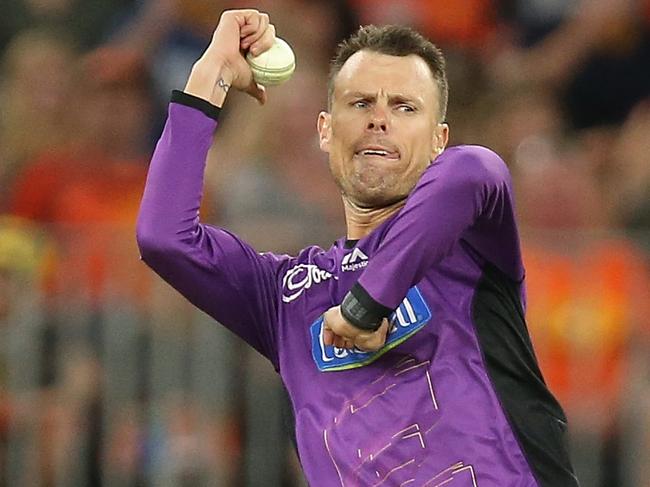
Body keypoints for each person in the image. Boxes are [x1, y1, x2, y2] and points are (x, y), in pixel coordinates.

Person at [136, 9, 578, 486]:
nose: (379, 120)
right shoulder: (284, 296)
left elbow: (473, 171)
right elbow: (166, 238)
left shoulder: (469, 244)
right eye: (361, 103)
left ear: (438, 141)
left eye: (405, 107)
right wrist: (212, 74)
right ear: (325, 131)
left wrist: (366, 307)